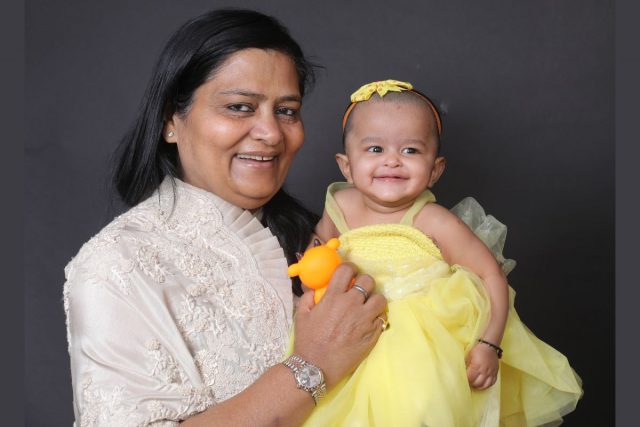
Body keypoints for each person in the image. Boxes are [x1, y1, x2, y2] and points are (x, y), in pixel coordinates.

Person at [63, 10, 388, 426]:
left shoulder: (327, 236)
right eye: (239, 107)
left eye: (287, 111)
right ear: (170, 120)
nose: (271, 133)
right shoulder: (115, 264)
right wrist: (313, 364)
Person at [302, 79, 583, 426]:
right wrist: (311, 270)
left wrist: (489, 344)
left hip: (418, 353)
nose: (392, 161)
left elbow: (490, 275)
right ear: (346, 166)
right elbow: (319, 249)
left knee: (415, 413)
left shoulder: (433, 221)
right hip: (347, 339)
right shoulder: (339, 205)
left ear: (435, 170)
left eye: (410, 151)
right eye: (375, 149)